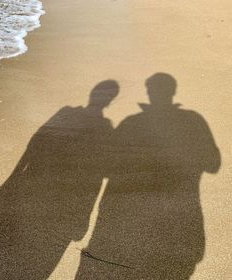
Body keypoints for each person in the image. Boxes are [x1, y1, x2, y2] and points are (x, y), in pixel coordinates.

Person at [0, 80, 119, 279]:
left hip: (42, 195)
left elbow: (34, 144)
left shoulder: (74, 115)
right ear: (110, 101)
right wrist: (85, 216)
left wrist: (11, 181)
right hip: (61, 206)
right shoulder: (105, 129)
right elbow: (97, 176)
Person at [76, 73, 221, 280]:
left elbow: (107, 168)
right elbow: (213, 165)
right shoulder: (194, 121)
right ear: (171, 92)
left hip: (127, 226)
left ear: (150, 93)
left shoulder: (131, 123)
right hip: (182, 227)